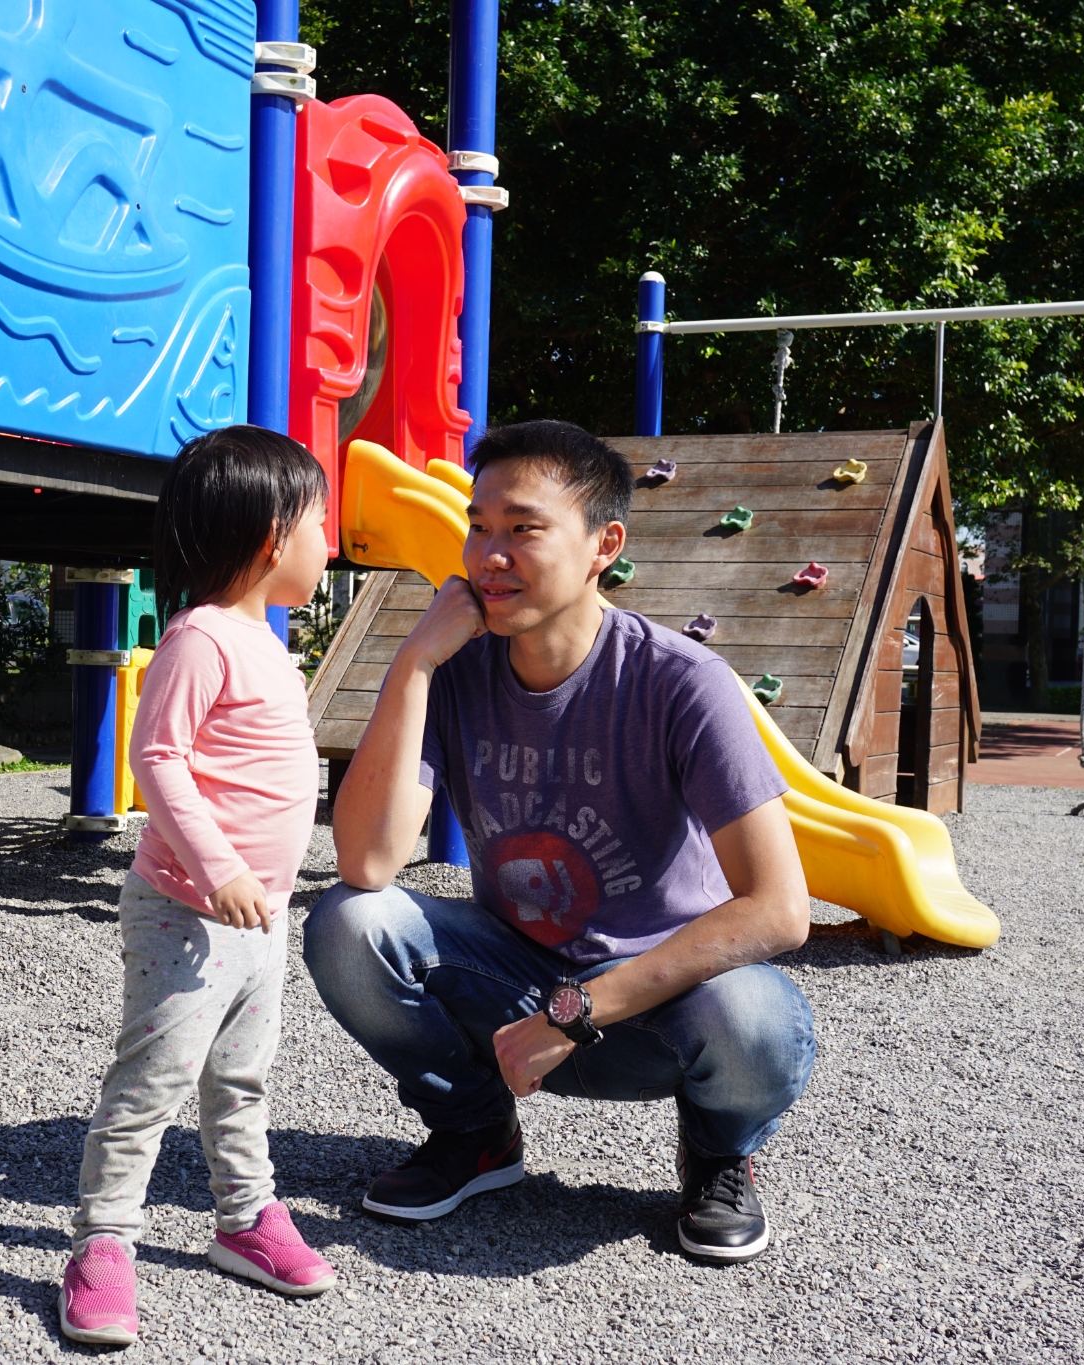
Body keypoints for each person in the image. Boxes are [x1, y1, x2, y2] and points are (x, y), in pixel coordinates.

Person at [307, 420, 816, 1263]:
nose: (490, 554)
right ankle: (475, 1132)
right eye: (478, 527)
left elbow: (780, 908)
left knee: (756, 1016)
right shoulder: (456, 672)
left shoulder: (681, 683)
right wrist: (416, 660)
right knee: (348, 922)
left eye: (524, 528)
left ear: (602, 546)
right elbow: (365, 861)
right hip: (513, 984)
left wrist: (575, 1011)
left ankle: (718, 1155)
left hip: (657, 1003)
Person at [60, 426, 339, 1347]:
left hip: (258, 916)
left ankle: (246, 1215)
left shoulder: (265, 641)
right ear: (271, 536)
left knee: (242, 1076)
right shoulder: (201, 637)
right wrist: (219, 867)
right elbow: (158, 757)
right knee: (153, 1080)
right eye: (319, 522)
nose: (329, 541)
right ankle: (103, 1239)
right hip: (187, 911)